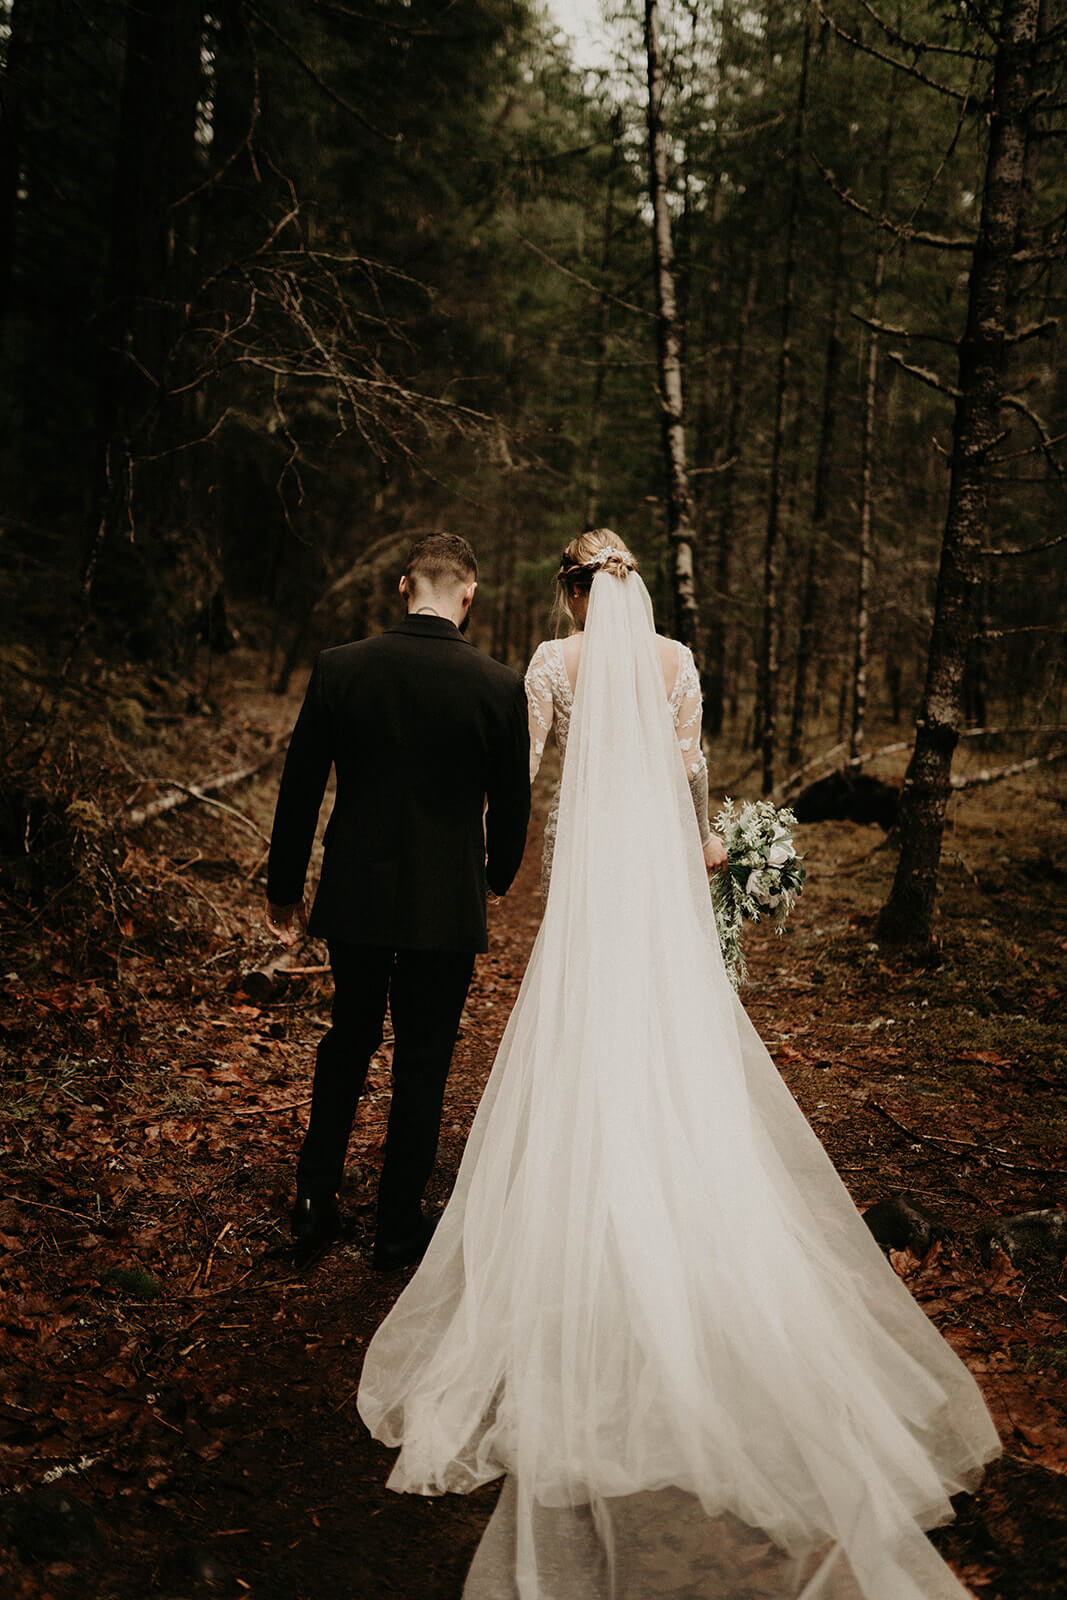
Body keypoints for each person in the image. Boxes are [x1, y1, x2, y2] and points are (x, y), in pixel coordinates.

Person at [357, 531, 1000, 1597]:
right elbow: (691, 773)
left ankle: (584, 1191)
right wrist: (705, 848)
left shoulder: (554, 665)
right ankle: (670, 1175)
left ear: (571, 592)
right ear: (629, 587)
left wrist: (482, 839)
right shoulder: (676, 661)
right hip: (655, 865)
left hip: (589, 871)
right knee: (666, 1020)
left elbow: (517, 770)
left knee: (583, 1019)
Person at [265, 533, 530, 1270]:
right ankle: (394, 1226)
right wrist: (495, 879)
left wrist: (284, 888)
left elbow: (300, 786)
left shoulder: (341, 667)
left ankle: (315, 1200)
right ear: (467, 595)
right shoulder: (496, 685)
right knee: (423, 1060)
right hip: (444, 904)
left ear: (403, 582)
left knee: (346, 1041)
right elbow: (512, 808)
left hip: (357, 889)